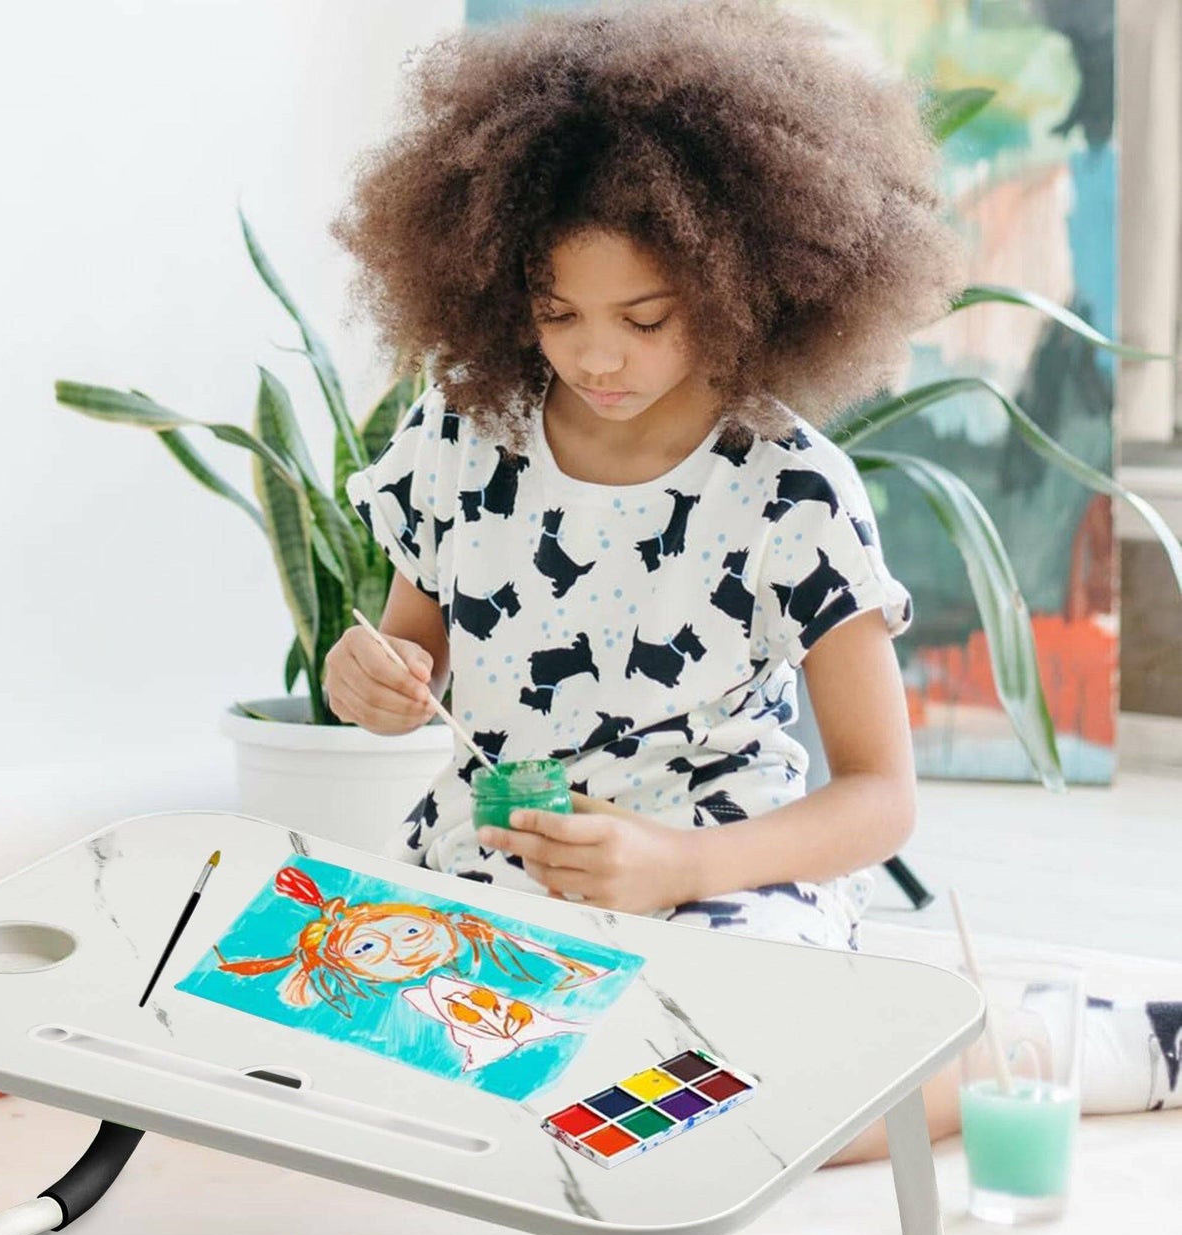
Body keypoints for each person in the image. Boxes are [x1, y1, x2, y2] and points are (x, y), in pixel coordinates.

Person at [322, 0, 968, 1157]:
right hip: (496, 854)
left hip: (721, 870)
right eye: (557, 312)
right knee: (336, 1053)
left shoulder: (790, 490)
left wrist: (678, 864)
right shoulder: (467, 434)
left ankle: (1019, 1066)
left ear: (739, 290)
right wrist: (365, 676)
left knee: (690, 1116)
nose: (596, 355)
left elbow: (882, 796)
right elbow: (410, 648)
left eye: (645, 316)